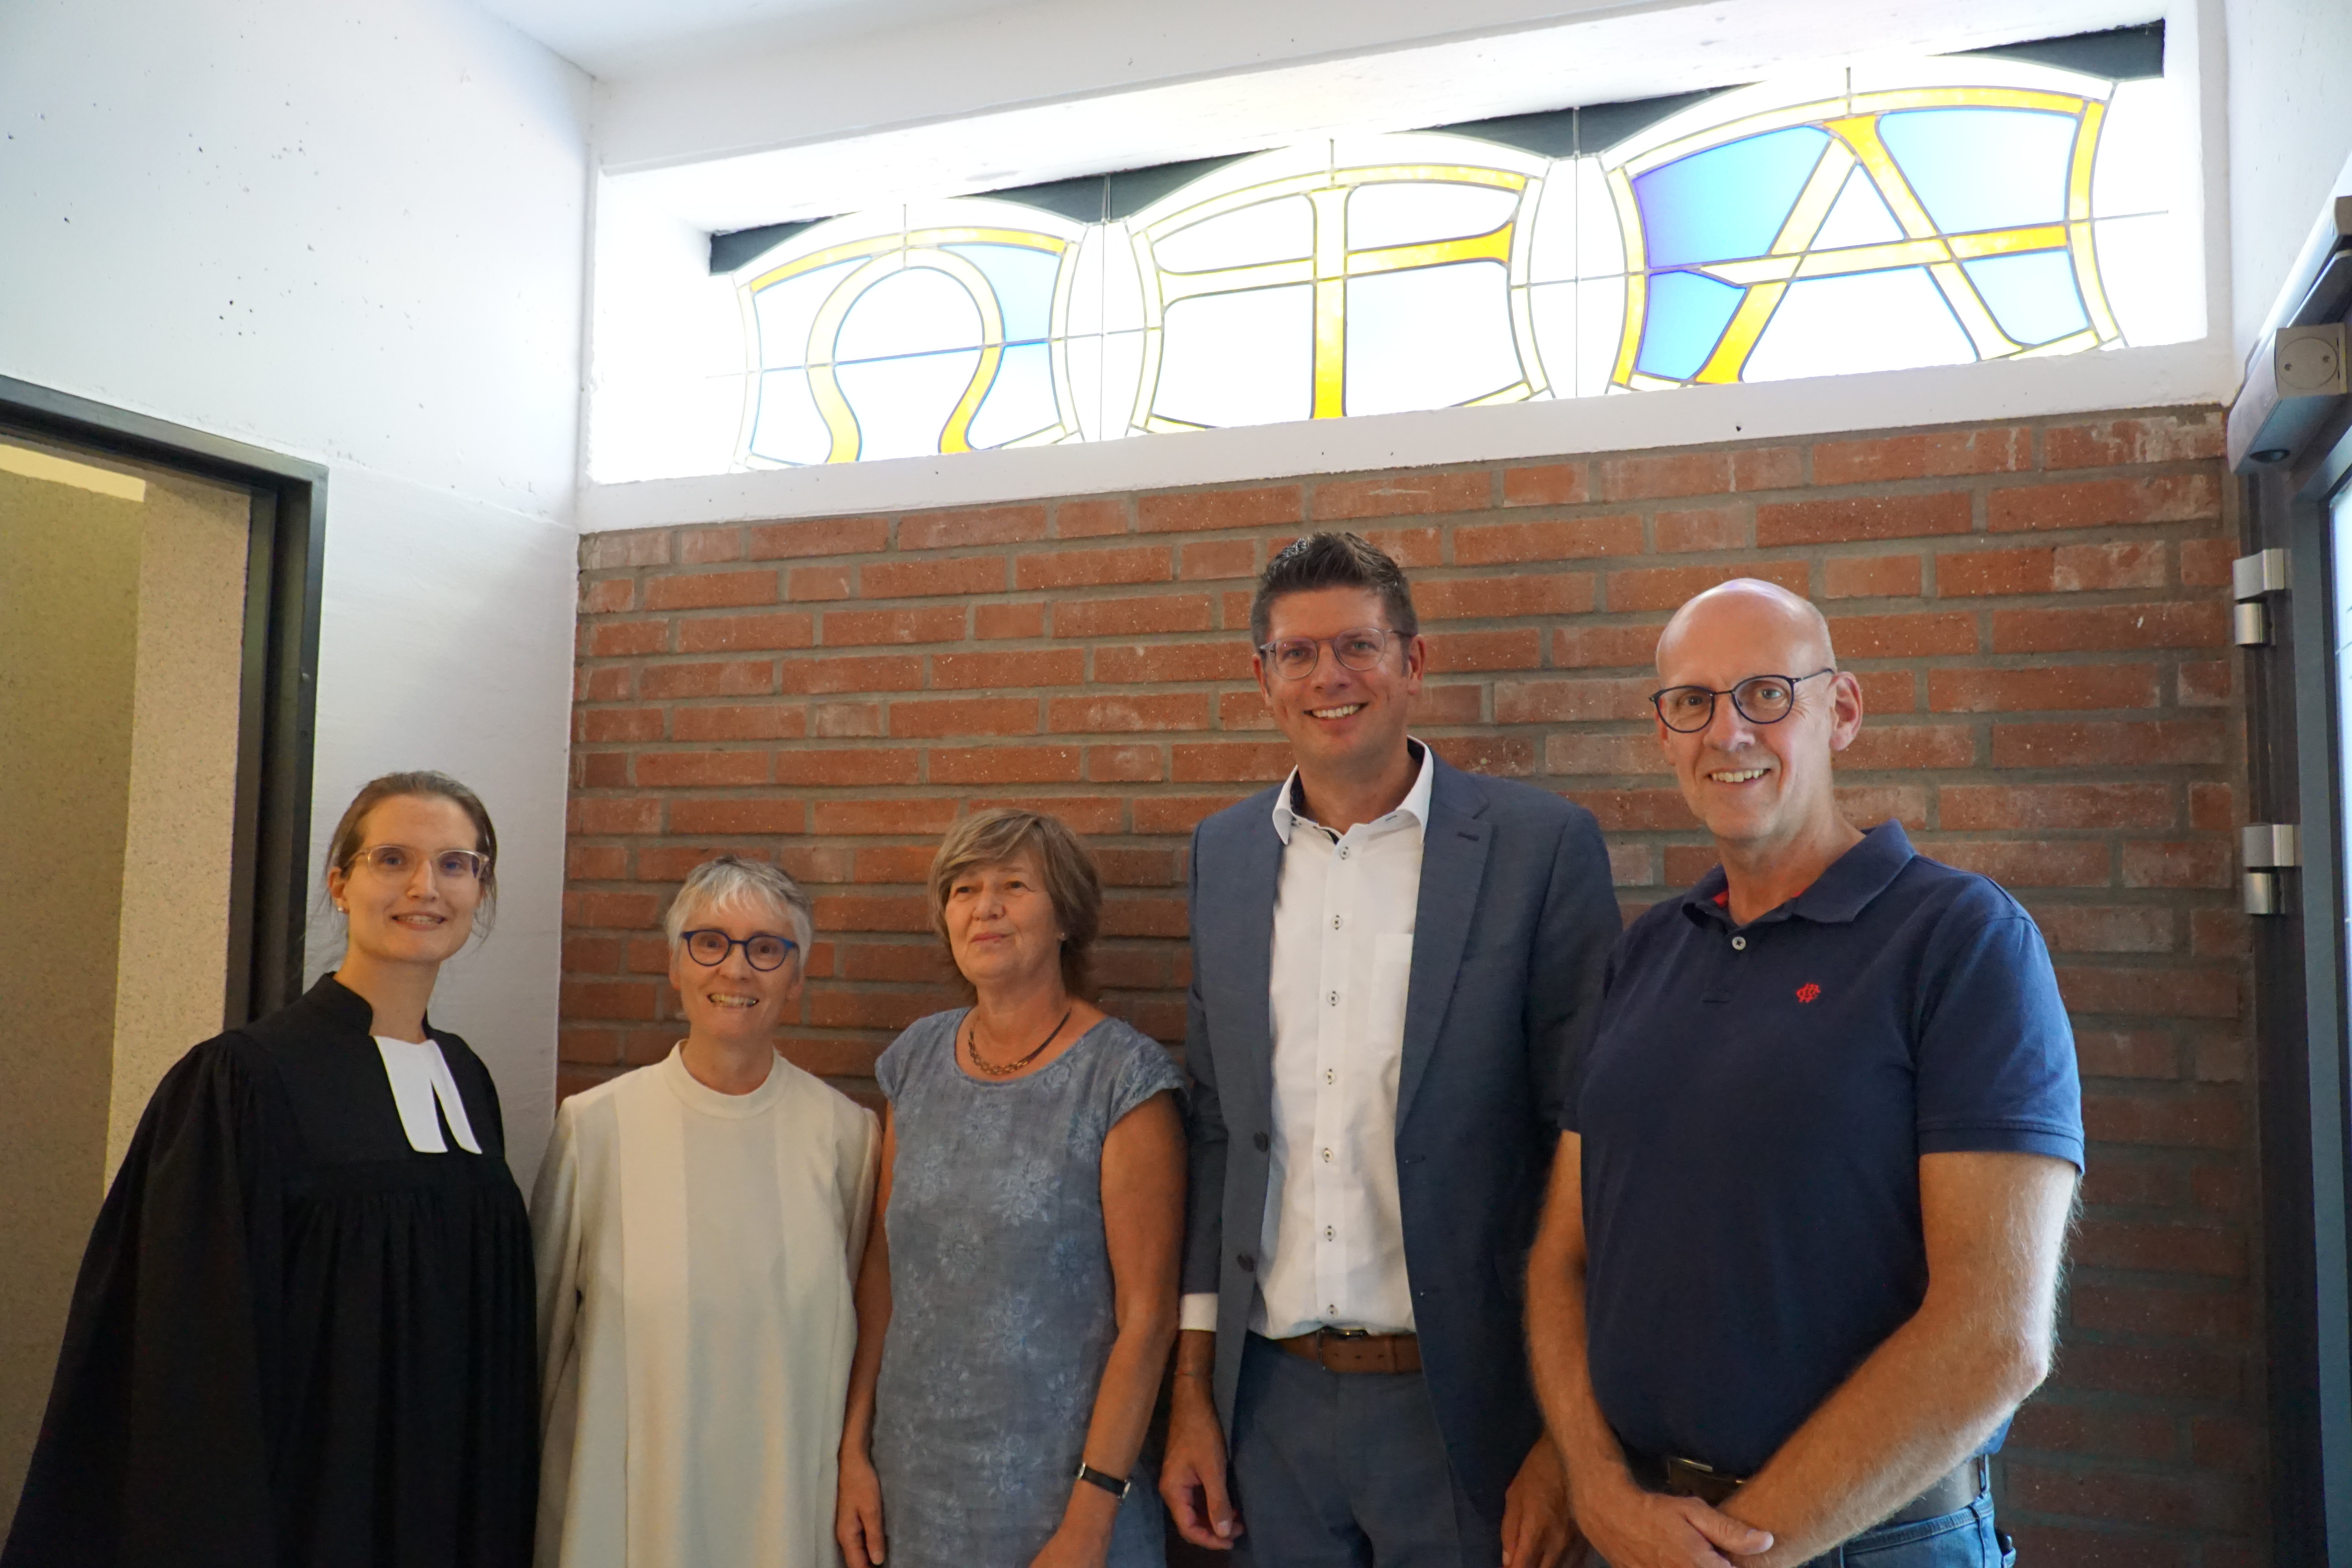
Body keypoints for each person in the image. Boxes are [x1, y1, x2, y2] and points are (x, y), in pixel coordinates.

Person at [1524, 578, 2083, 1568]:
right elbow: (1564, 1257)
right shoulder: (1648, 951)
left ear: (1844, 711)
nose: (1729, 731)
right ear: (1664, 732)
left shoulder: (1961, 942)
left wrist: (1735, 1550)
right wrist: (1598, 1485)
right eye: (1692, 702)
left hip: (1865, 1539)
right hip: (1638, 1528)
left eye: (1768, 694)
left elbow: (1994, 1336)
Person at [1161, 532, 1622, 1568]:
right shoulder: (1224, 856)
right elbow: (1220, 1135)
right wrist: (1194, 1396)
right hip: (1267, 1408)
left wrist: (1567, 1443)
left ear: (1414, 664)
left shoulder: (1540, 850)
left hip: (1466, 1410)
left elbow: (1587, 1148)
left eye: (1359, 647)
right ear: (1264, 677)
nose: (1330, 677)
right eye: (1298, 653)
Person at [2, 771, 537, 1568]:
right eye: (393, 858)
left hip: (449, 1504)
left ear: (480, 888)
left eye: (457, 863)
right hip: (312, 1513)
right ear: (341, 882)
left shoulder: (468, 1077)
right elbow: (192, 1348)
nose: (427, 886)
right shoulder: (243, 1080)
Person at [837, 808, 1185, 1568]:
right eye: (964, 889)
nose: (985, 907)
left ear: (1066, 916)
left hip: (1061, 1496)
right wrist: (852, 1451)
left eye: (1013, 885)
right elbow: (882, 1272)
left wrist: (1092, 1517)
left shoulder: (1123, 1079)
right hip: (910, 1485)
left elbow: (1149, 1318)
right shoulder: (914, 1061)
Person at [532, 855, 878, 1568]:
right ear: (675, 965)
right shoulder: (597, 1129)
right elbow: (542, 1341)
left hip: (785, 1509)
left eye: (767, 948)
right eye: (710, 942)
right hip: (624, 1511)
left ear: (798, 975)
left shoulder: (845, 1136)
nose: (737, 970)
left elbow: (858, 1331)